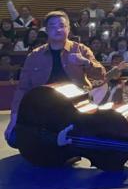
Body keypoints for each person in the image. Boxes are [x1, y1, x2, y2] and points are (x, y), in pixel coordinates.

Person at [4, 11, 106, 146]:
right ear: (46, 30)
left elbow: (101, 76)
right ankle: (58, 139)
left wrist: (85, 62)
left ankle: (54, 139)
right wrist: (14, 118)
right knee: (13, 138)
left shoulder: (81, 50)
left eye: (62, 26)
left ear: (68, 29)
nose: (57, 29)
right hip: (44, 109)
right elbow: (22, 89)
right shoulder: (34, 56)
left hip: (76, 107)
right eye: (52, 26)